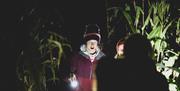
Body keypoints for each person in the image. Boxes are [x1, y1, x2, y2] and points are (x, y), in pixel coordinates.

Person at [68, 24, 105, 91]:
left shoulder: (103, 59)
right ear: (86, 43)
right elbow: (69, 72)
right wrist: (71, 76)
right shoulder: (77, 57)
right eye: (90, 41)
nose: (92, 44)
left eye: (94, 42)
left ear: (98, 44)